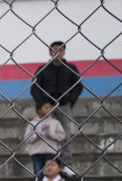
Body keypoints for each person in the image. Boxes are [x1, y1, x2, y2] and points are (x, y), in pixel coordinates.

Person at [31, 41, 84, 173]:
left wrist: (71, 101)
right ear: (50, 52)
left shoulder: (71, 68)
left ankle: (66, 166)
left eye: (60, 50)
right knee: (47, 134)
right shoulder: (42, 69)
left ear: (64, 52)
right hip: (47, 108)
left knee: (65, 135)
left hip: (64, 106)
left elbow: (78, 86)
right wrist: (42, 105)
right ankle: (48, 166)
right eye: (54, 50)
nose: (57, 53)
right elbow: (35, 88)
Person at [25, 103, 66, 176]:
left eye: (50, 107)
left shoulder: (55, 122)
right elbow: (26, 138)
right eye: (46, 108)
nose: (49, 109)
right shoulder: (32, 123)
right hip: (37, 153)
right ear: (39, 110)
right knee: (39, 173)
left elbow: (62, 136)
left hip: (51, 152)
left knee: (51, 173)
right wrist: (36, 136)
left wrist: (51, 135)